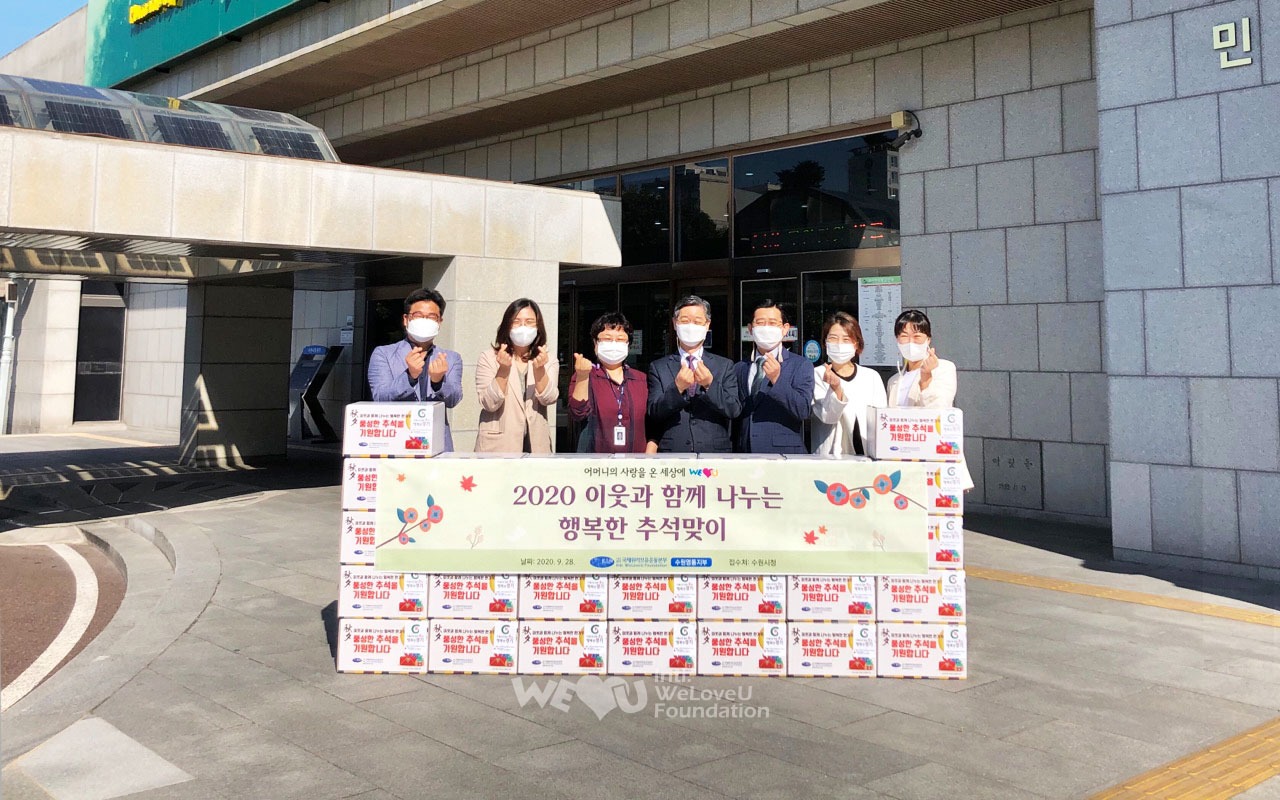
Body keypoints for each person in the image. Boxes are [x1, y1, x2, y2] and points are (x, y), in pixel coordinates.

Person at [366, 287, 462, 452]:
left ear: (439, 322)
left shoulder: (451, 358)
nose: (424, 320)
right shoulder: (383, 354)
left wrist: (438, 382)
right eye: (418, 315)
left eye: (431, 317)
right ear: (406, 319)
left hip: (437, 445)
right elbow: (380, 397)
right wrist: (409, 376)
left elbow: (454, 398)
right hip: (396, 443)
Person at [886, 308, 973, 489]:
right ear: (897, 340)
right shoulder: (894, 381)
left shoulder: (943, 368)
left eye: (917, 336)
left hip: (936, 460)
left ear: (928, 339)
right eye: (904, 336)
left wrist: (926, 379)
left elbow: (940, 410)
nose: (910, 342)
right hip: (903, 460)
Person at [647, 295, 742, 453]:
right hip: (674, 452)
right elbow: (654, 413)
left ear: (707, 324)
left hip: (714, 452)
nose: (691, 326)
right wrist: (677, 388)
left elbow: (734, 409)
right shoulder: (658, 367)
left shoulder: (724, 365)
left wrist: (710, 385)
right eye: (685, 321)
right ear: (675, 323)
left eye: (697, 321)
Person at [474, 298, 559, 453]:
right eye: (516, 321)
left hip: (535, 446)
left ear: (538, 326)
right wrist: (503, 370)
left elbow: (549, 398)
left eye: (529, 322)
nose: (523, 327)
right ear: (507, 325)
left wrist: (540, 370)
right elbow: (489, 403)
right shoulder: (489, 358)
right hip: (498, 447)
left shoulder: (548, 359)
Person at [734, 300, 813, 454]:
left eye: (772, 323)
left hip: (783, 455)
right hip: (746, 453)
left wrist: (777, 380)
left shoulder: (801, 365)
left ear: (785, 329)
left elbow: (803, 410)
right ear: (750, 329)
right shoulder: (740, 367)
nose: (766, 328)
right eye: (760, 323)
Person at [568, 312, 654, 454]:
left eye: (620, 339)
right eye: (607, 339)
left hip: (636, 461)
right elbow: (577, 413)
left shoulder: (641, 379)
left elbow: (653, 421)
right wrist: (582, 377)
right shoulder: (587, 375)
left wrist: (650, 453)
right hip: (596, 462)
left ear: (628, 344)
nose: (614, 344)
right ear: (595, 343)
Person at [810, 311, 887, 456]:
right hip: (830, 458)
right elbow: (828, 417)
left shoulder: (871, 377)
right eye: (833, 338)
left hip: (867, 456)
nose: (839, 344)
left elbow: (882, 421)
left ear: (856, 344)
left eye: (846, 339)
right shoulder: (817, 375)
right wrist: (836, 388)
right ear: (825, 343)